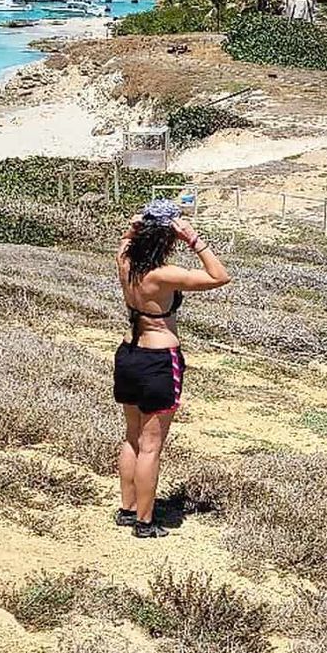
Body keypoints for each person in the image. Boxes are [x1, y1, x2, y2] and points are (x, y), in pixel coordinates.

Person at [114, 197, 231, 538]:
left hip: (128, 354)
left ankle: (127, 508)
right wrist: (194, 240)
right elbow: (219, 276)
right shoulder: (164, 275)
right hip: (159, 360)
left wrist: (136, 227)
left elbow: (125, 240)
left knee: (132, 437)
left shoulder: (125, 261)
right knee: (152, 446)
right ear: (167, 238)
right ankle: (145, 522)